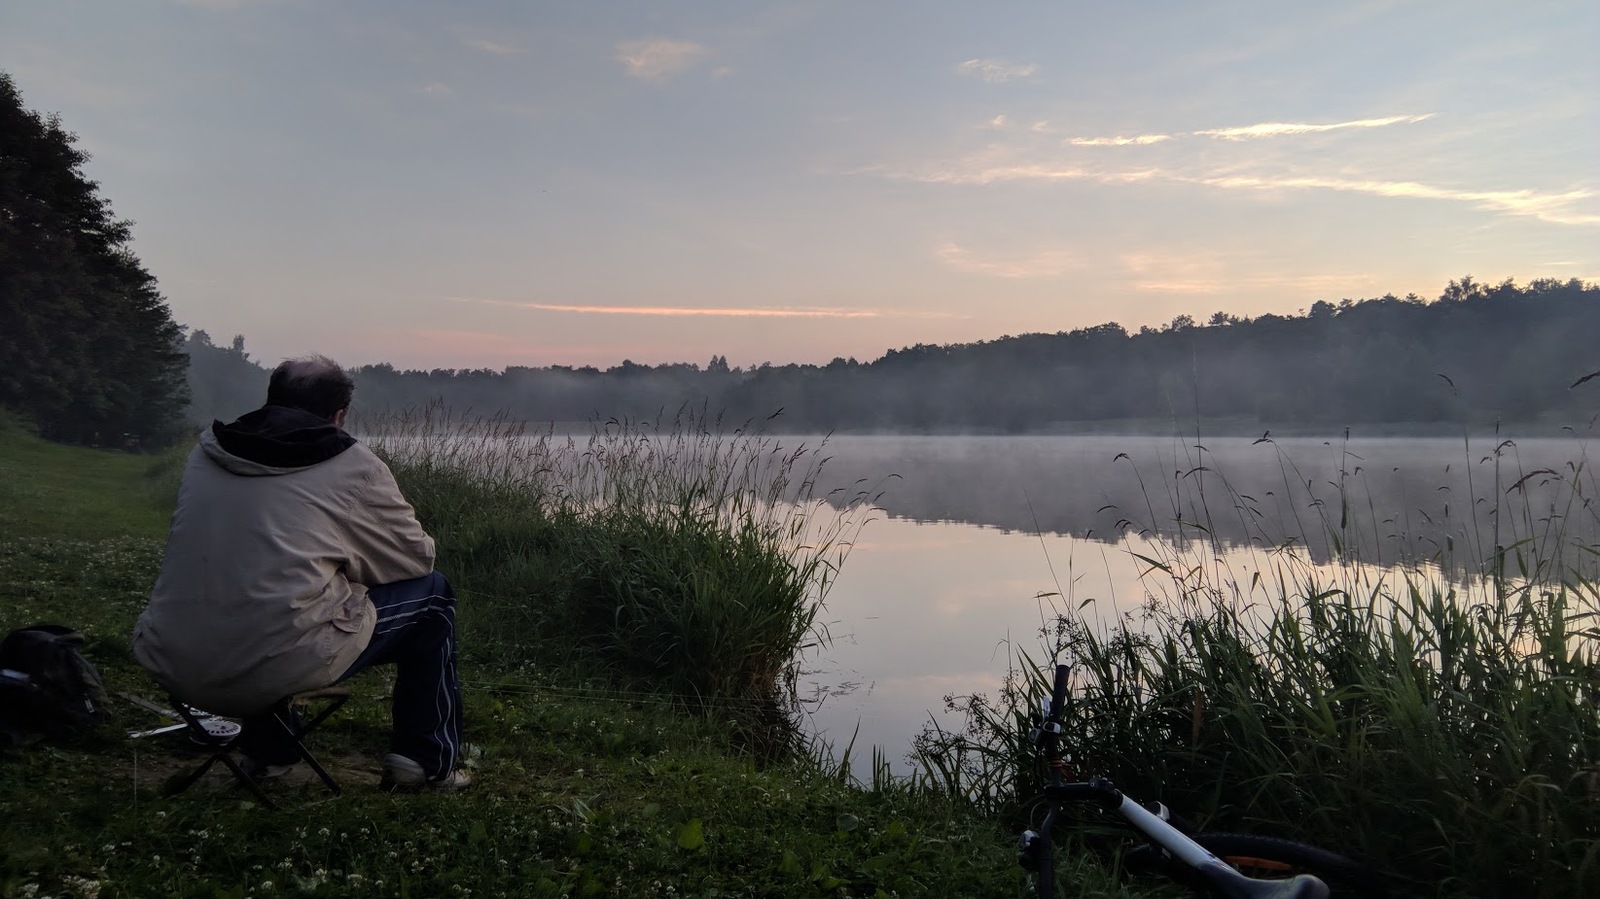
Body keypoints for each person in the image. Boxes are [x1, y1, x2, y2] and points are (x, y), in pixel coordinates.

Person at [132, 355, 469, 791]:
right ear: (340, 415)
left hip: (171, 657)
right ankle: (423, 763)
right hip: (268, 664)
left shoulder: (207, 451)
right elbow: (416, 560)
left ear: (271, 399)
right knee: (434, 596)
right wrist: (349, 570)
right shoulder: (352, 464)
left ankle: (270, 752)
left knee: (270, 593)